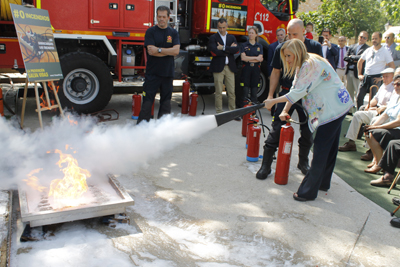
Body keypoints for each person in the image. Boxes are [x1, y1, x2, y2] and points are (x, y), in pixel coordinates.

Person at [264, 39, 353, 201]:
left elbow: (297, 92)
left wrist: (273, 101)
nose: (288, 60)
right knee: (330, 148)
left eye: (289, 56)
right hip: (338, 106)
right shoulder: (305, 63)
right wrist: (284, 110)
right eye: (286, 57)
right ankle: (323, 183)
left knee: (320, 149)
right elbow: (295, 88)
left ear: (297, 52)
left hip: (332, 110)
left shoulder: (311, 65)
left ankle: (308, 191)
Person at [256, 18, 322, 180]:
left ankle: (303, 161)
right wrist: (270, 96)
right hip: (286, 93)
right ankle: (266, 165)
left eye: (295, 34)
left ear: (304, 32)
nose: (291, 38)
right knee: (276, 128)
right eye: (289, 34)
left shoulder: (315, 48)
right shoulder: (281, 48)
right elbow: (275, 72)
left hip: (307, 96)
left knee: (307, 130)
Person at [137, 6, 180, 124]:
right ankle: (142, 127)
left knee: (166, 102)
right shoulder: (151, 31)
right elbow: (151, 51)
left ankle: (162, 128)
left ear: (168, 18)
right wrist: (167, 51)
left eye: (164, 17)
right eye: (159, 16)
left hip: (167, 74)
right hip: (152, 73)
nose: (161, 19)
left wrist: (159, 50)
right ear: (156, 17)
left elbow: (176, 51)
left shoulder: (173, 33)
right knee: (147, 101)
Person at [338, 68, 395, 152]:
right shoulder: (383, 86)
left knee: (374, 120)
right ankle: (351, 143)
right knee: (357, 115)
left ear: (393, 77)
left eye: (387, 76)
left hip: (387, 115)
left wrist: (378, 107)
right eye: (383, 76)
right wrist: (371, 105)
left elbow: (392, 106)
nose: (384, 78)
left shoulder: (395, 87)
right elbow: (375, 100)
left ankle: (370, 150)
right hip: (376, 111)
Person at [363, 75, 400, 176]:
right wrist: (372, 126)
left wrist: (376, 127)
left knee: (375, 132)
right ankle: (376, 160)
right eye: (394, 84)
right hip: (393, 127)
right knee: (368, 131)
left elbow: (398, 122)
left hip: (398, 129)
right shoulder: (395, 97)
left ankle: (379, 165)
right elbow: (385, 115)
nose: (396, 86)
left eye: (399, 84)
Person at [208, 18, 240, 117]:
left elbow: (237, 50)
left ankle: (232, 112)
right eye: (220, 27)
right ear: (217, 27)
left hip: (230, 67)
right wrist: (229, 49)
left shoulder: (231, 37)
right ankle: (219, 112)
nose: (222, 29)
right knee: (218, 91)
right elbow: (214, 51)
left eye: (223, 27)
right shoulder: (213, 38)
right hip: (218, 67)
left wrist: (223, 48)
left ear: (227, 27)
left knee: (231, 91)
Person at [356, 32, 395, 110]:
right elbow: (360, 62)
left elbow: (392, 66)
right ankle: (360, 116)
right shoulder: (368, 50)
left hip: (376, 79)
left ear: (380, 39)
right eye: (373, 38)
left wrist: (381, 78)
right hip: (365, 77)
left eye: (376, 38)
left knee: (373, 101)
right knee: (359, 98)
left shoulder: (385, 51)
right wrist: (359, 74)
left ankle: (369, 118)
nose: (374, 40)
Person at [344, 31, 369, 108]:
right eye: (361, 37)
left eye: (364, 38)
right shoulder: (352, 46)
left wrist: (352, 57)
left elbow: (362, 59)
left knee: (357, 93)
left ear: (367, 39)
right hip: (349, 72)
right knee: (349, 92)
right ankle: (349, 109)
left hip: (358, 73)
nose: (362, 39)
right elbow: (345, 57)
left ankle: (357, 110)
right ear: (358, 37)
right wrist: (355, 59)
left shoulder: (367, 48)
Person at [240, 26, 263, 104]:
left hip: (256, 69)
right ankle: (245, 106)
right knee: (245, 89)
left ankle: (253, 109)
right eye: (249, 33)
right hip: (246, 68)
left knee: (254, 89)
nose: (250, 34)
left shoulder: (259, 46)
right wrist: (256, 58)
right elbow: (243, 58)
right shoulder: (244, 45)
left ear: (256, 34)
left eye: (252, 33)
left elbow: (260, 59)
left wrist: (249, 58)